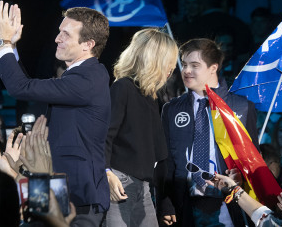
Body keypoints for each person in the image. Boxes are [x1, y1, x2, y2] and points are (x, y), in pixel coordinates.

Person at [0, 1, 111, 226]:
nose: (57, 39)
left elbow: (21, 88)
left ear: (88, 44)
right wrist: (12, 48)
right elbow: (26, 86)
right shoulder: (80, 76)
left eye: (65, 34)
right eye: (59, 32)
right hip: (50, 183)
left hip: (76, 193)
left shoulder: (88, 79)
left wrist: (3, 42)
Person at [157, 38, 258, 226]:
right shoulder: (172, 109)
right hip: (184, 203)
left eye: (195, 65)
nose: (186, 71)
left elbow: (253, 161)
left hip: (228, 203)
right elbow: (166, 161)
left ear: (214, 68)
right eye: (184, 64)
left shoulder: (242, 107)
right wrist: (166, 202)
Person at [105, 28, 178, 227]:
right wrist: (106, 173)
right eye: (168, 62)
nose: (171, 69)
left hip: (143, 188)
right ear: (154, 59)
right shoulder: (123, 87)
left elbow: (160, 154)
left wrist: (165, 202)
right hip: (119, 183)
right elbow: (105, 136)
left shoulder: (151, 97)